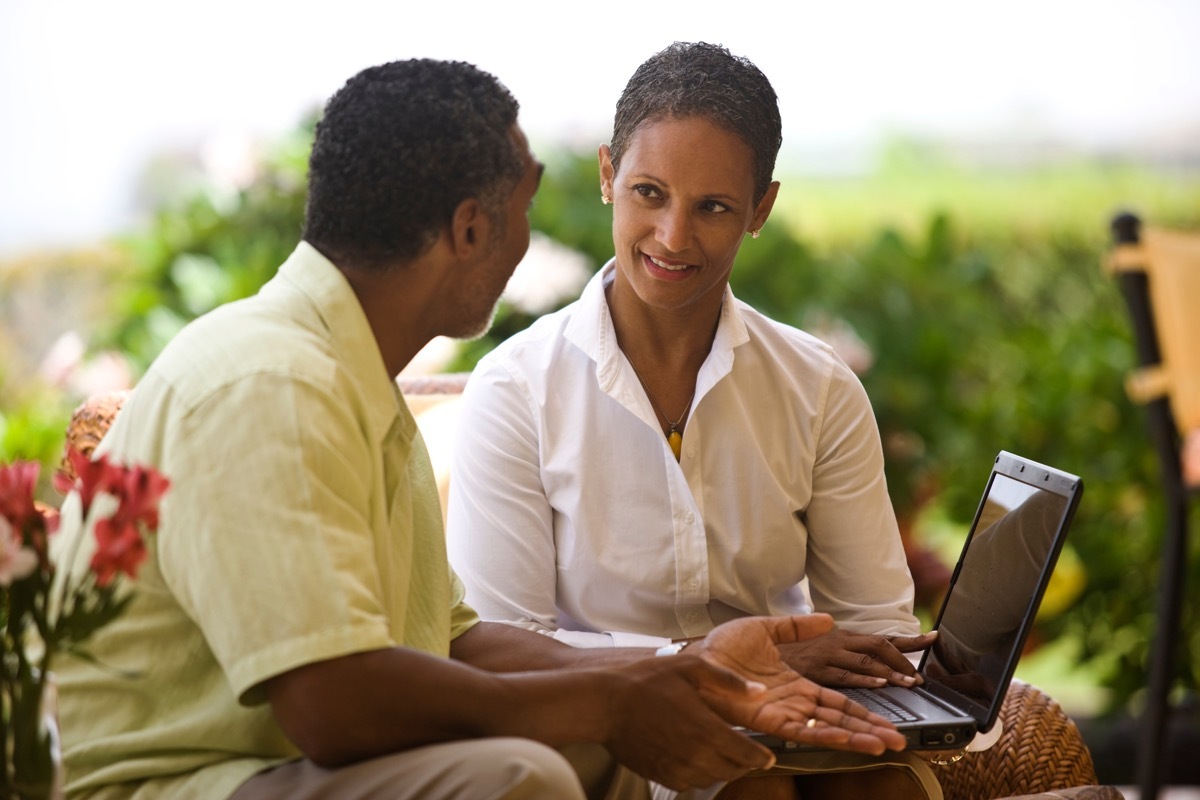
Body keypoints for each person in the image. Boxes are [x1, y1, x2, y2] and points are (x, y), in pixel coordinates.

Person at [52, 58, 907, 800]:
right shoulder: (268, 383)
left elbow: (455, 642)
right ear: (471, 228)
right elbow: (330, 706)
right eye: (525, 207)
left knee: (589, 752)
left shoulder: (350, 380)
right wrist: (612, 701)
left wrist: (678, 675)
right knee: (520, 778)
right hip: (195, 782)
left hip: (278, 767)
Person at [445, 42, 940, 799]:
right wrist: (711, 665)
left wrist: (863, 692)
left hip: (793, 721)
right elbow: (505, 647)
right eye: (650, 193)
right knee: (752, 794)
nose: (673, 236)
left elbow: (876, 626)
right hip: (607, 727)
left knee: (884, 789)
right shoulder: (515, 389)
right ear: (609, 176)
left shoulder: (819, 389)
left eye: (713, 207)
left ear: (761, 209)